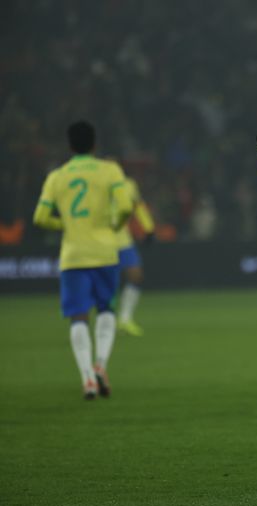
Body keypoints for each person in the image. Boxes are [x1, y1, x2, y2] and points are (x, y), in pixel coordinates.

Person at [33, 121, 132, 399]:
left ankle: (87, 377)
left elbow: (40, 217)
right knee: (106, 310)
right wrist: (114, 224)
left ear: (70, 145)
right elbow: (126, 206)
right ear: (94, 143)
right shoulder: (109, 170)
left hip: (73, 255)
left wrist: (65, 225)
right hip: (105, 252)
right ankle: (101, 363)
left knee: (78, 316)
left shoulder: (57, 176)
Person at [115, 176, 156, 336]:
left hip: (123, 240)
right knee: (105, 284)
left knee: (136, 276)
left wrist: (149, 228)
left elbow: (138, 207)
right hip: (101, 241)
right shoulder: (94, 183)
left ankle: (125, 319)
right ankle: (105, 320)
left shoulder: (129, 184)